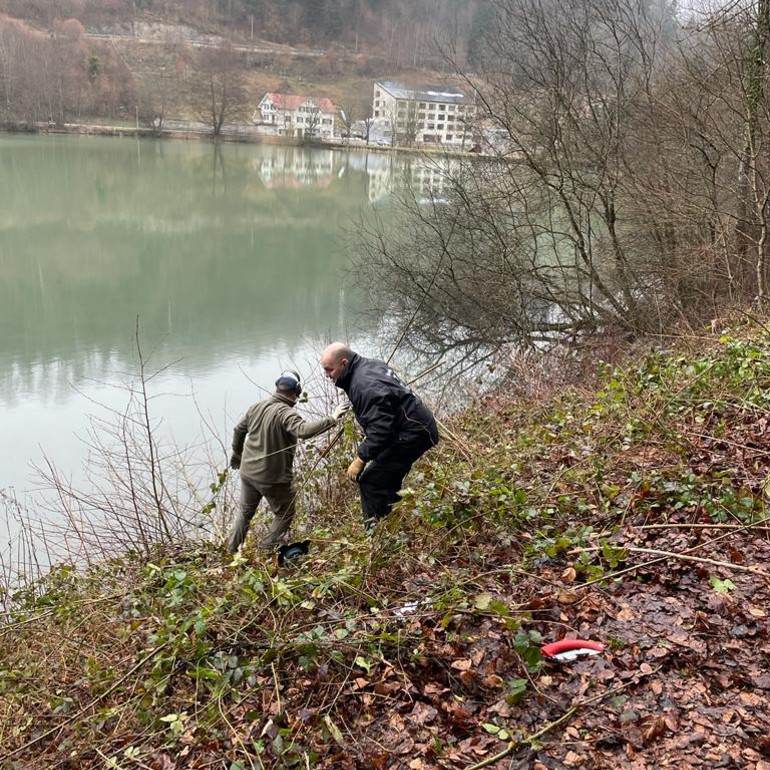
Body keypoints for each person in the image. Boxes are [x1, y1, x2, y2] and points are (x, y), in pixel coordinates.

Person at [319, 342, 439, 529]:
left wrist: (360, 458)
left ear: (344, 363)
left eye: (329, 370)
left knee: (371, 481)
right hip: (414, 427)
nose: (327, 375)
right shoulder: (369, 365)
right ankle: (395, 524)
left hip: (413, 433)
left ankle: (377, 535)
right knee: (385, 477)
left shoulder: (363, 385)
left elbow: (381, 430)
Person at [227, 374, 350, 554]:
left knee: (244, 514)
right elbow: (303, 430)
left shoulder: (256, 407)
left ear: (278, 389)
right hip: (271, 478)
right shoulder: (285, 413)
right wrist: (332, 418)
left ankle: (231, 553)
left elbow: (238, 430)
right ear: (296, 393)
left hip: (247, 473)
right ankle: (265, 549)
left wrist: (237, 454)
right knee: (285, 512)